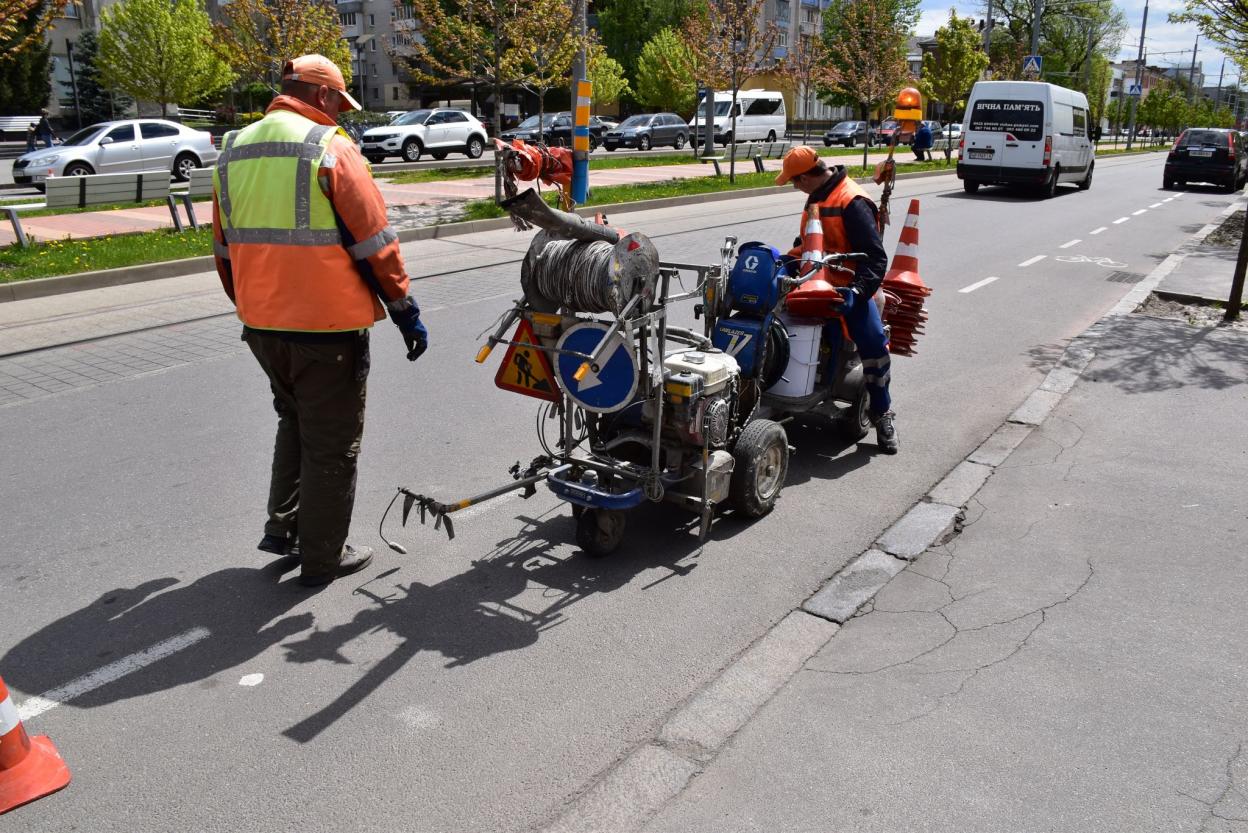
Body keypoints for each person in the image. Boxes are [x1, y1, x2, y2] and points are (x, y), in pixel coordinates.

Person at [212, 54, 429, 587]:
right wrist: (404, 311)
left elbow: (223, 249)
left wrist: (250, 305)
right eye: (339, 103)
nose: (340, 114)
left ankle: (284, 528)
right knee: (332, 446)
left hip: (262, 326)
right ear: (323, 96)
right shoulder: (330, 149)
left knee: (294, 420)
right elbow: (376, 243)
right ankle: (323, 557)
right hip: (326, 331)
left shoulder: (233, 149)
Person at [776, 145, 898, 454]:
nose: (793, 186)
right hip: (809, 279)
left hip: (846, 286)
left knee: (872, 343)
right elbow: (807, 241)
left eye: (794, 180)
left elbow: (874, 259)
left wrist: (857, 292)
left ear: (806, 177)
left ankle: (882, 414)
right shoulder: (815, 195)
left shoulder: (852, 201)